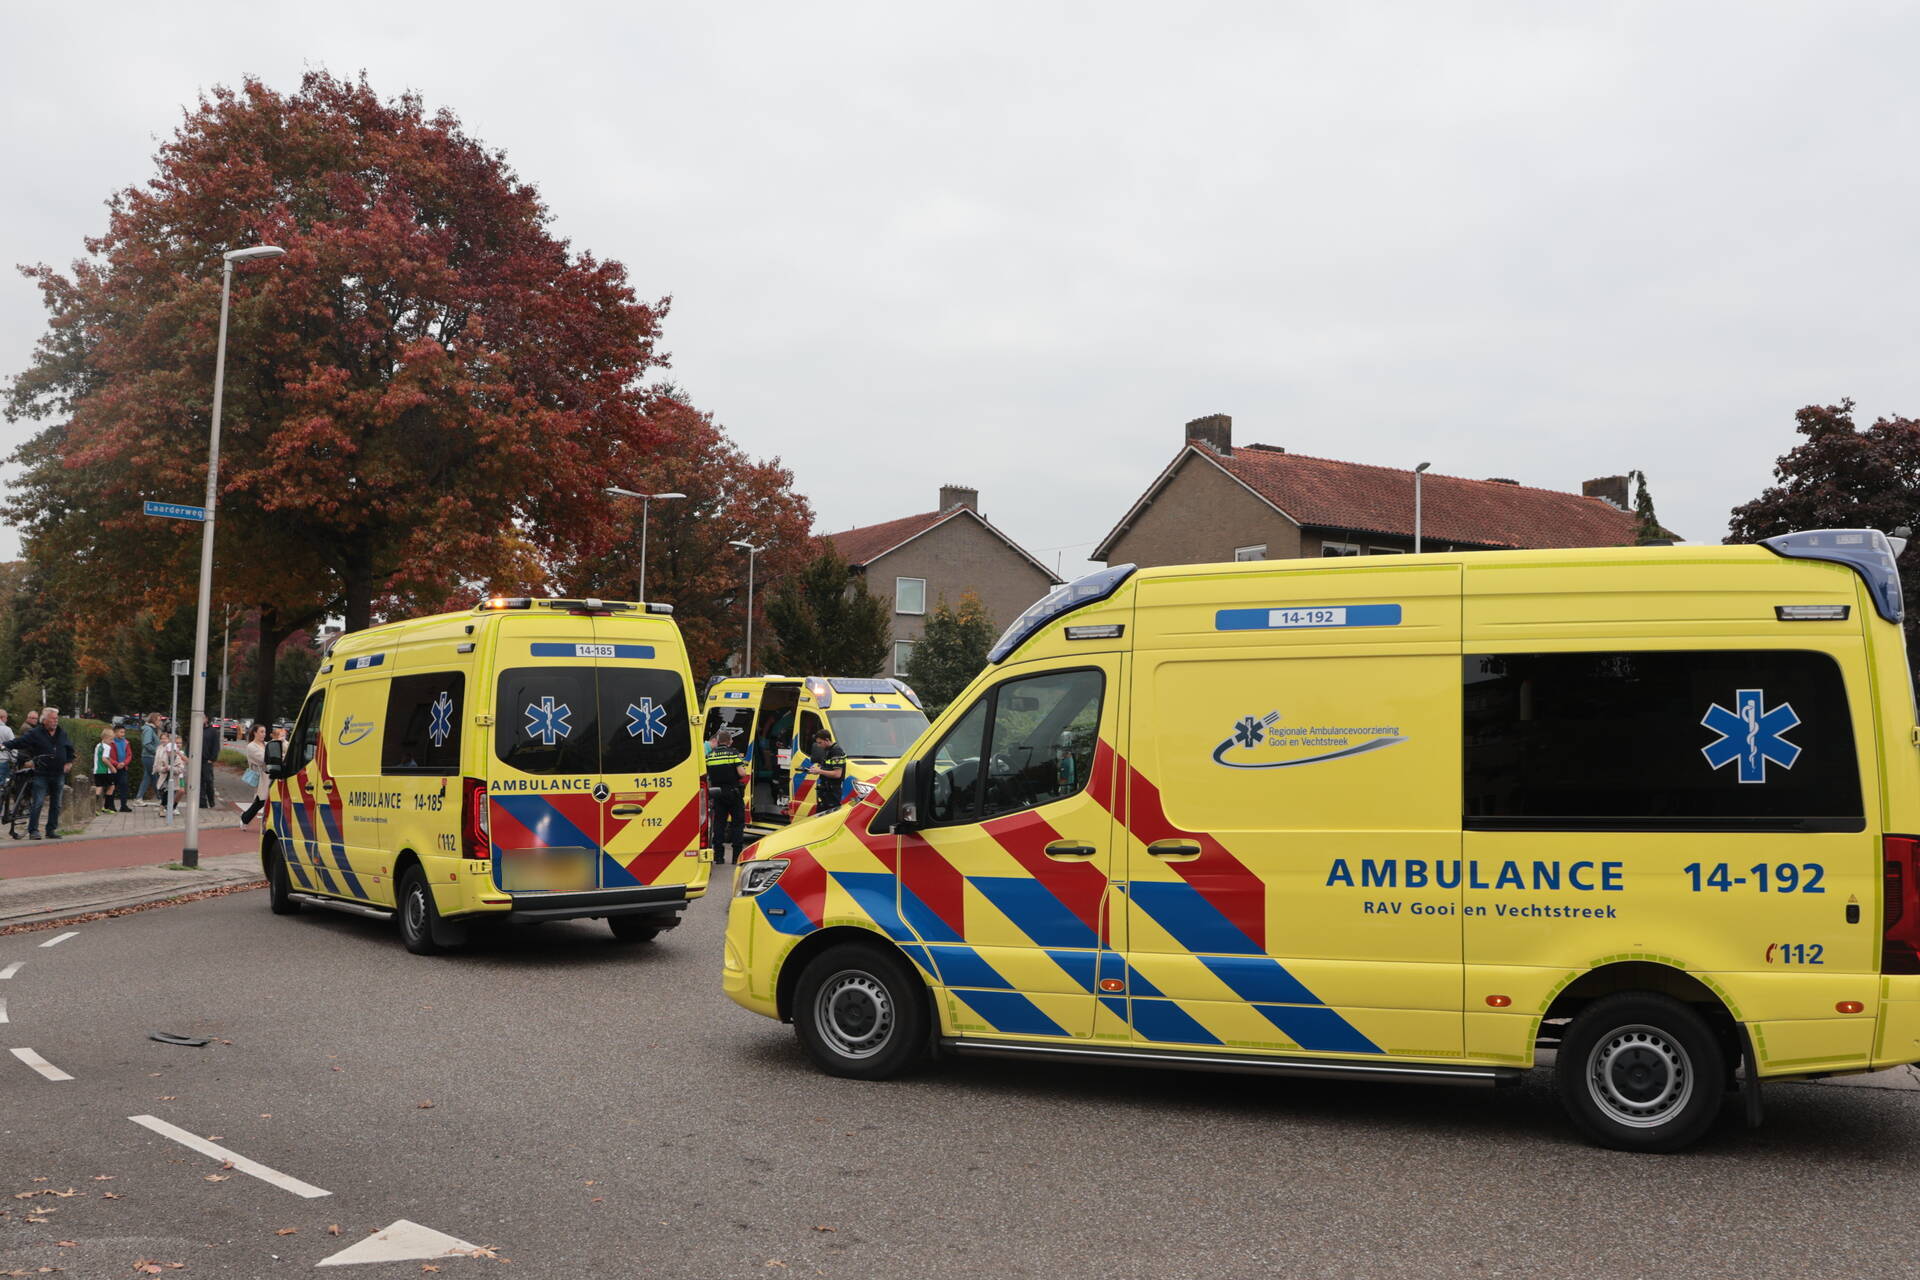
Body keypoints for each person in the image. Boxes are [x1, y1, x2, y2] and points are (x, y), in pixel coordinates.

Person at [19, 706, 75, 841]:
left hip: (58, 773)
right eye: (53, 718)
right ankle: (33, 830)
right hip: (42, 773)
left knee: (56, 803)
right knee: (38, 802)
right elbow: (21, 742)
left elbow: (70, 749)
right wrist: (5, 746)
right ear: (44, 720)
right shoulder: (36, 733)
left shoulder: (61, 733)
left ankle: (51, 830)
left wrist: (69, 763)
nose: (56, 721)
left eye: (57, 718)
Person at [704, 727, 749, 864]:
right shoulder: (733, 754)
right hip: (733, 793)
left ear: (717, 741)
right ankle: (736, 857)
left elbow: (707, 775)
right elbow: (742, 773)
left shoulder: (710, 756)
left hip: (717, 793)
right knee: (737, 825)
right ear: (729, 741)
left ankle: (718, 857)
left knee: (719, 824)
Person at [801, 728, 848, 817]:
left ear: (827, 740)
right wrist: (817, 768)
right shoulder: (827, 750)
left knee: (829, 818)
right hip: (825, 791)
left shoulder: (836, 751)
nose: (819, 745)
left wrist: (819, 771)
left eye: (820, 743)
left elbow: (837, 774)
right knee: (820, 817)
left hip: (832, 792)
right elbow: (828, 767)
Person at [236, 724, 270, 825]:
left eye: (265, 732)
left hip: (271, 776)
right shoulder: (251, 746)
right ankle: (245, 818)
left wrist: (282, 741)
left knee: (266, 800)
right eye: (261, 732)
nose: (264, 734)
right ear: (255, 733)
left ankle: (247, 818)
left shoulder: (267, 744)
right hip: (261, 777)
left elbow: (283, 751)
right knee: (261, 800)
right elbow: (263, 759)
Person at [154, 732, 188, 822]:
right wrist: (163, 769)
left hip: (179, 777)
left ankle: (172, 807)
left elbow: (185, 763)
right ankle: (166, 807)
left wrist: (169, 766)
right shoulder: (164, 754)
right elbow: (158, 766)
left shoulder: (180, 754)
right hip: (166, 777)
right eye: (177, 743)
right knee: (167, 791)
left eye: (180, 743)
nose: (179, 744)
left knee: (180, 791)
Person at [135, 712, 161, 805]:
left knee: (149, 777)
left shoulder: (150, 729)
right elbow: (146, 743)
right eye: (159, 720)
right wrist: (157, 752)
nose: (160, 722)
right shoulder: (149, 729)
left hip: (149, 757)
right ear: (153, 720)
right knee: (152, 777)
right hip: (149, 757)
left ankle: (139, 798)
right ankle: (160, 798)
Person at [110, 724, 133, 812]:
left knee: (124, 786)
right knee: (112, 786)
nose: (123, 734)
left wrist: (124, 763)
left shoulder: (126, 742)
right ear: (115, 732)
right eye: (121, 732)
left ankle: (123, 805)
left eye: (124, 732)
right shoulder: (111, 742)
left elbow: (129, 755)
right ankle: (111, 805)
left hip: (123, 767)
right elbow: (108, 756)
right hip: (113, 768)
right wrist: (116, 764)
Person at [200, 718, 221, 810]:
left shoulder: (212, 731)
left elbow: (216, 746)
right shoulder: (195, 730)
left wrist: (212, 759)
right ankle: (202, 803)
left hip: (207, 760)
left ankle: (211, 801)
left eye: (202, 717)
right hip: (196, 760)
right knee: (199, 782)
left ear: (206, 719)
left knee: (208, 781)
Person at [92, 729, 116, 805]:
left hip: (97, 771)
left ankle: (94, 807)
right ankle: (106, 807)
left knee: (99, 788)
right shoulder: (107, 747)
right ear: (105, 738)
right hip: (105, 771)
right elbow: (104, 759)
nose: (112, 741)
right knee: (111, 787)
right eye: (111, 739)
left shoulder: (98, 745)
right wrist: (112, 767)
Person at [0, 708, 13, 796]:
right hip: (3, 761)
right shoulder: (7, 730)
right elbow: (13, 745)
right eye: (6, 718)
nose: (7, 720)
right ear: (2, 717)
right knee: (2, 787)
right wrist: (14, 759)